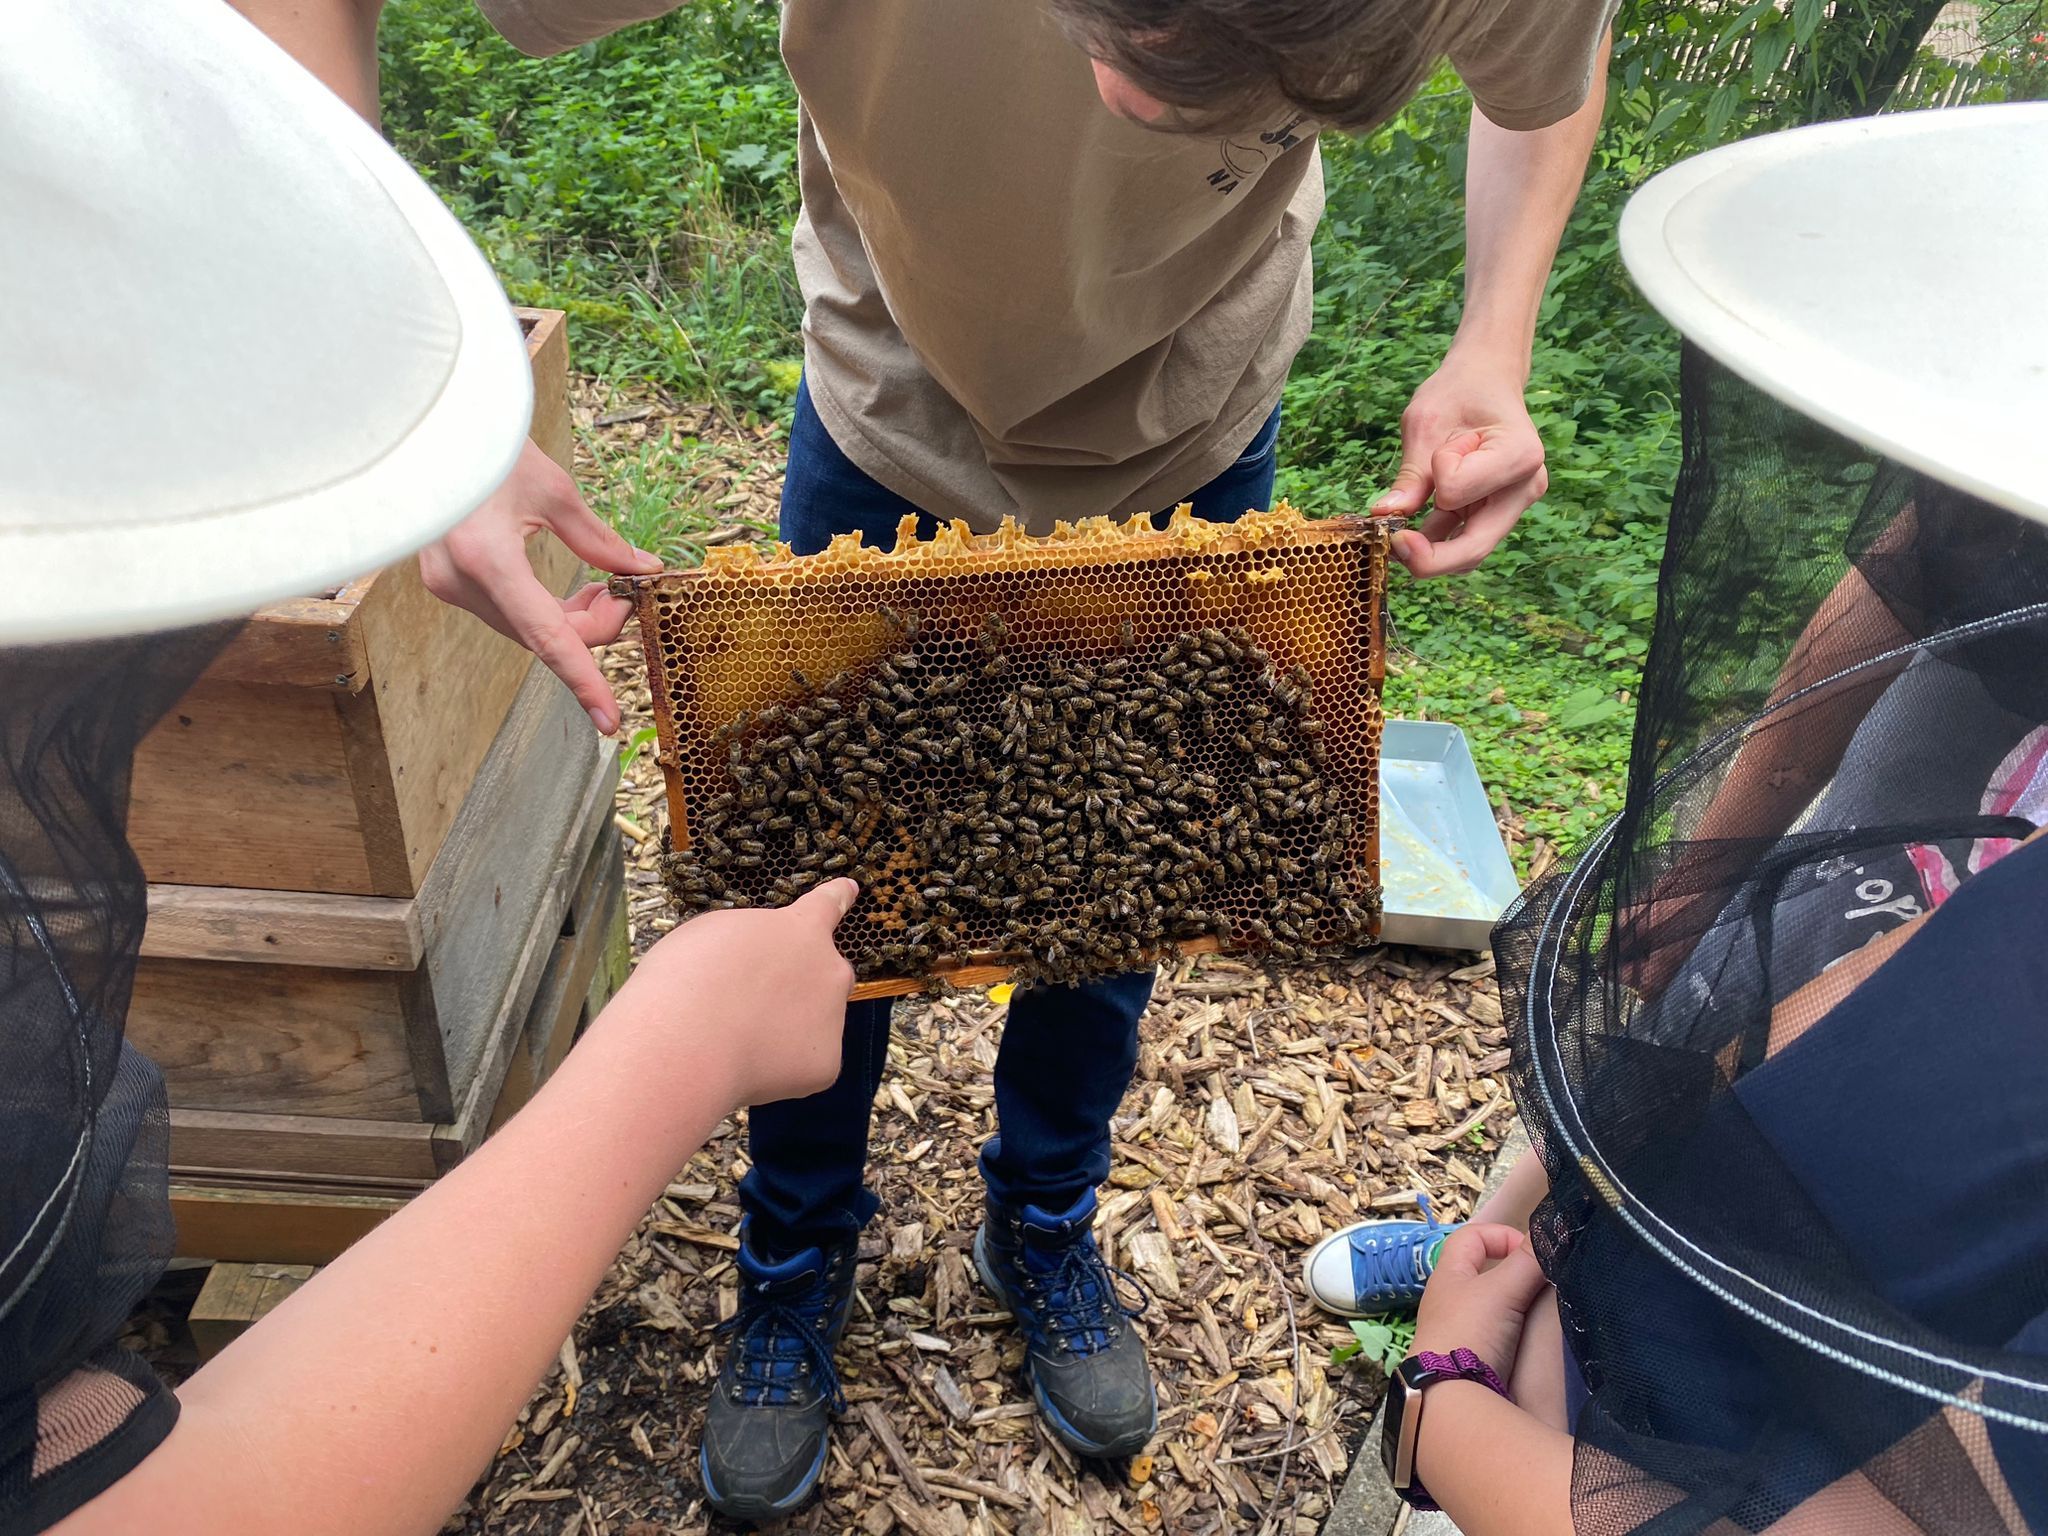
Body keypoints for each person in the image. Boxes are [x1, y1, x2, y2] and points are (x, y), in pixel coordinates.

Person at [235, 0, 1621, 1514]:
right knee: (818, 901)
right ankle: (791, 1258)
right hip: (887, 417)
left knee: (1119, 878)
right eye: (1131, 33)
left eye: (1243, 93)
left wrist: (1494, 345)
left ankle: (1040, 1224)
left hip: (1193, 424)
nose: (1131, 107)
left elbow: (1545, 75)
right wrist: (424, 391)